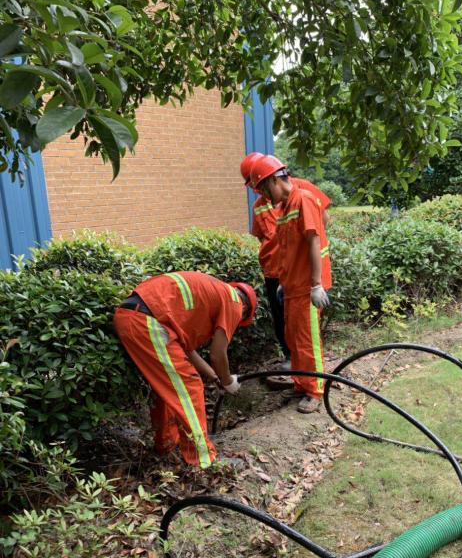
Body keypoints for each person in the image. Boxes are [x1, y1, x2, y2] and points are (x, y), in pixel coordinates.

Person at [113, 271, 257, 468]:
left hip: (133, 317)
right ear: (246, 310)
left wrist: (213, 376)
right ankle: (203, 461)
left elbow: (187, 350)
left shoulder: (212, 294)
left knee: (167, 388)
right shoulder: (234, 302)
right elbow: (217, 353)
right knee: (189, 387)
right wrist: (227, 381)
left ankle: (166, 446)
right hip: (147, 322)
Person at [249, 155, 331, 414]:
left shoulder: (303, 199)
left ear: (274, 180)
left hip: (306, 286)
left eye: (263, 188)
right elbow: (285, 250)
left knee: (307, 339)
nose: (263, 195)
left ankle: (315, 390)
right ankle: (301, 383)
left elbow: (313, 241)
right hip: (292, 285)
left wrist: (316, 284)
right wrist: (284, 281)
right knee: (294, 338)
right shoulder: (283, 208)